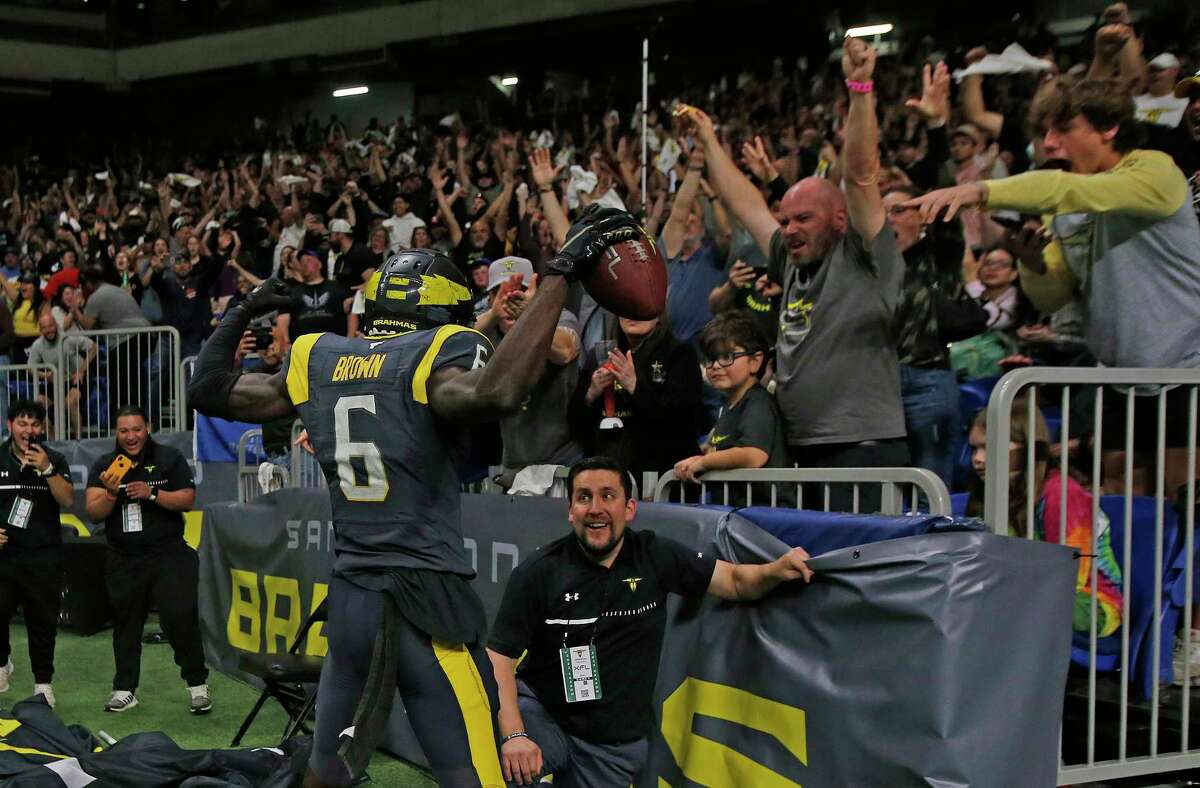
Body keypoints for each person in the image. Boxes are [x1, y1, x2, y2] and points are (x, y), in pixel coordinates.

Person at [186, 206, 643, 787]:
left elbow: (207, 388)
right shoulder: (438, 352)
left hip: (351, 595)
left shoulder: (318, 357)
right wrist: (559, 275)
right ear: (441, 309)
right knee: (473, 775)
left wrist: (245, 310)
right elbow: (498, 389)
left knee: (327, 769)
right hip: (423, 600)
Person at [904, 78, 1200, 497]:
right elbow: (1053, 294)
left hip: (1185, 373)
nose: (1049, 143)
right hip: (1119, 380)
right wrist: (1033, 265)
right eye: (1045, 132)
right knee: (1120, 494)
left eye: (1063, 130)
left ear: (1109, 128)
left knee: (1179, 500)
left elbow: (1067, 190)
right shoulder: (1066, 208)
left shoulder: (1154, 170)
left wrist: (978, 190)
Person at [486, 456, 813, 786]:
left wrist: (775, 570)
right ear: (570, 510)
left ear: (629, 509)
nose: (595, 508)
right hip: (544, 715)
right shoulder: (538, 572)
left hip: (611, 745)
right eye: (584, 497)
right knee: (510, 768)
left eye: (607, 496)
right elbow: (499, 659)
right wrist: (514, 735)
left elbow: (735, 581)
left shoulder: (656, 555)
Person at [685, 37, 909, 512]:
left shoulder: (866, 254)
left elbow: (863, 175)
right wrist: (708, 140)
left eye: (803, 219)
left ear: (840, 218)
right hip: (801, 447)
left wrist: (861, 88)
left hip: (862, 449)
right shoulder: (790, 259)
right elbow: (746, 204)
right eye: (785, 220)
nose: (788, 230)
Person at [84, 406, 207, 715]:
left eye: (136, 429)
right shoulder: (105, 465)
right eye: (124, 430)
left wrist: (152, 495)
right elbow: (93, 511)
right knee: (126, 624)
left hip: (169, 554)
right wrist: (112, 494)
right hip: (123, 558)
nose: (130, 436)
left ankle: (197, 685)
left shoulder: (169, 458)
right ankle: (125, 690)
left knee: (179, 617)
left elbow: (188, 499)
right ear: (116, 432)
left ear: (148, 427)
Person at [963, 405, 1122, 638]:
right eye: (975, 448)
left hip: (1089, 603)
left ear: (1027, 449)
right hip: (1025, 591)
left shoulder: (1062, 494)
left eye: (989, 448)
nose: (977, 459)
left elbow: (1068, 577)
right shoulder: (989, 490)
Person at [474, 257, 583, 488]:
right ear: (490, 299)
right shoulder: (487, 328)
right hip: (513, 466)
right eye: (502, 293)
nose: (512, 301)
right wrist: (494, 314)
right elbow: (448, 343)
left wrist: (534, 313)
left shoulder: (558, 317)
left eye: (519, 292)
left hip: (561, 464)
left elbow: (565, 350)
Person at [575, 313, 706, 490]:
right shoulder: (600, 355)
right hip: (607, 478)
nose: (633, 313)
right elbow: (575, 426)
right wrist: (590, 395)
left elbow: (684, 421)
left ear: (658, 312)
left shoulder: (679, 353)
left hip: (663, 483)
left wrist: (634, 386)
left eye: (640, 307)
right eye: (626, 306)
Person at [674, 313, 791, 507]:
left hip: (766, 518)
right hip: (739, 515)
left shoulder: (757, 403)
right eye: (710, 359)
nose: (716, 366)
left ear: (755, 361)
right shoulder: (728, 407)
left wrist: (704, 462)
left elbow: (753, 454)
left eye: (727, 357)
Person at [0, 400, 74, 709]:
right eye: (22, 423)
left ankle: (43, 683)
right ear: (10, 426)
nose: (28, 430)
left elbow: (68, 499)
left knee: (42, 622)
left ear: (41, 428)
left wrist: (47, 469)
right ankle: (2, 662)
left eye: (34, 424)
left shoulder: (54, 459)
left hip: (43, 555)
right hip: (4, 556)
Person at [27, 314, 96, 440]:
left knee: (71, 402)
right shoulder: (37, 345)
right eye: (45, 328)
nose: (49, 330)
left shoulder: (69, 338)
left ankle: (78, 442)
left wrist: (81, 370)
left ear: (56, 326)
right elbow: (30, 368)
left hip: (75, 378)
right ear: (40, 330)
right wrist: (45, 375)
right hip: (55, 382)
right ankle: (54, 445)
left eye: (51, 326)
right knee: (39, 404)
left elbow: (94, 347)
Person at [275, 249, 351, 347]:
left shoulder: (337, 287)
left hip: (335, 347)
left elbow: (352, 313)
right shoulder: (292, 292)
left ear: (319, 264)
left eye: (308, 260)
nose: (304, 264)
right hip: (303, 348)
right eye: (301, 262)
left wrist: (350, 339)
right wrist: (285, 343)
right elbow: (283, 318)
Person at [1136, 53, 1189, 127]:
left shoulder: (1186, 101)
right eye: (1152, 71)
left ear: (1175, 71)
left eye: (1160, 70)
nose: (1155, 75)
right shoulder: (1136, 102)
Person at [328, 218, 377, 291]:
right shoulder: (340, 259)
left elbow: (371, 282)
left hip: (357, 300)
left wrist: (354, 297)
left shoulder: (361, 253)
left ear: (340, 235)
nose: (329, 240)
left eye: (331, 235)